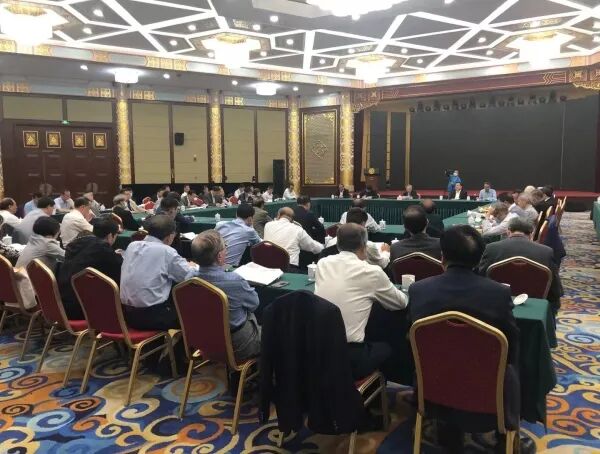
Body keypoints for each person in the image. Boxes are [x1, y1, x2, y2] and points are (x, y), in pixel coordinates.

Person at [408, 225, 520, 453]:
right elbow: (510, 345)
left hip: (433, 383)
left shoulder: (419, 290)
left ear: (442, 256)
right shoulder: (498, 293)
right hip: (487, 389)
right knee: (513, 368)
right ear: (479, 260)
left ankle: (446, 427)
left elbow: (411, 338)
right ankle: (505, 437)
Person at [315, 223, 408, 379]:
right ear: (364, 246)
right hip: (348, 355)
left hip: (318, 348)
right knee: (387, 346)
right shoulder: (371, 272)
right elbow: (401, 303)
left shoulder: (323, 263)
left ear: (338, 244)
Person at [192, 230, 261, 362]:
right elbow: (254, 304)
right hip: (238, 345)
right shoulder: (235, 281)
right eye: (225, 247)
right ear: (219, 256)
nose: (227, 251)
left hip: (203, 342)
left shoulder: (188, 280)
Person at [120, 215, 196, 330]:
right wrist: (192, 266)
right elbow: (189, 276)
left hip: (126, 315)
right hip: (152, 317)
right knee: (195, 314)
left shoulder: (132, 245)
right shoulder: (167, 251)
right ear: (171, 236)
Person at [478, 217, 562, 315]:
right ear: (531, 234)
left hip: (496, 305)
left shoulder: (491, 248)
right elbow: (554, 288)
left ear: (508, 231)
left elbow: (481, 277)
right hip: (534, 305)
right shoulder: (546, 251)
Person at [58, 217, 123, 320]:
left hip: (63, 302)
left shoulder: (76, 244)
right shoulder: (102, 249)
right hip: (83, 309)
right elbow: (120, 272)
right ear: (111, 235)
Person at [322, 207, 390, 269]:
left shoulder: (330, 243)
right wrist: (385, 252)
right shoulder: (368, 246)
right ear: (363, 224)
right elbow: (381, 264)